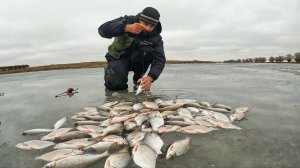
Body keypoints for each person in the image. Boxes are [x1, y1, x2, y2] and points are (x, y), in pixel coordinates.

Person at [98, 7, 166, 91]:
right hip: (119, 58)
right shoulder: (127, 20)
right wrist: (125, 28)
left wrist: (150, 77)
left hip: (139, 61)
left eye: (152, 26)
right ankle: (112, 71)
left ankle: (138, 77)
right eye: (145, 24)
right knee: (116, 84)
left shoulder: (156, 37)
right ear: (140, 20)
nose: (148, 28)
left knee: (147, 50)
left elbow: (159, 59)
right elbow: (102, 30)